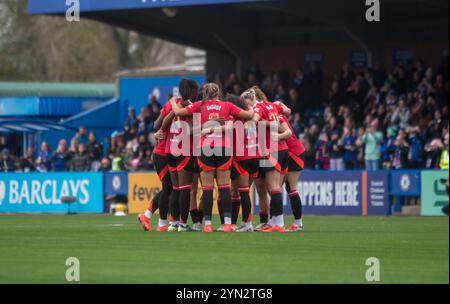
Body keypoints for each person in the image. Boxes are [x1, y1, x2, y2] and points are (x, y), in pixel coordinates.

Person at [170, 83, 254, 233]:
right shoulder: (227, 105)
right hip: (224, 148)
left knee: (207, 188)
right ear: (218, 93)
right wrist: (252, 106)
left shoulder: (199, 105)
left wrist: (172, 102)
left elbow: (178, 112)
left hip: (205, 148)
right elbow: (249, 116)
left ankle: (207, 224)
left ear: (205, 93)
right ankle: (228, 224)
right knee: (224, 187)